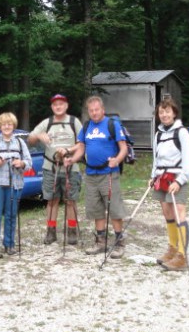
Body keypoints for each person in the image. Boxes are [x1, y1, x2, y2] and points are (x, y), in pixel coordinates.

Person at [64, 96, 129, 258]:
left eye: (96, 109)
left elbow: (124, 148)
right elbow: (81, 147)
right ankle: (100, 242)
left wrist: (117, 160)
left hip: (108, 173)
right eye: (91, 110)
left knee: (114, 208)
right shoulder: (86, 126)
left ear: (102, 110)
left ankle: (119, 242)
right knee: (96, 209)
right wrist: (72, 159)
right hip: (91, 174)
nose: (94, 113)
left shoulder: (111, 124)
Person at [28, 94, 82, 245]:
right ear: (52, 107)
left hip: (71, 167)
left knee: (71, 200)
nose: (58, 106)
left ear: (66, 106)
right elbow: (30, 140)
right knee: (52, 200)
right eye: (55, 104)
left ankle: (71, 231)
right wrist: (39, 136)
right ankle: (51, 232)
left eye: (61, 104)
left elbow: (82, 143)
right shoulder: (47, 123)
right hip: (50, 167)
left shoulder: (74, 122)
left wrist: (68, 149)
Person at [149, 97, 189, 272]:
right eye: (161, 112)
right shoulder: (158, 134)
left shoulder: (181, 132)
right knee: (167, 212)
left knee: (179, 212)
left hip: (177, 176)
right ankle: (172, 249)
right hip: (161, 177)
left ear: (174, 113)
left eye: (167, 111)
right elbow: (155, 158)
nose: (165, 115)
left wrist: (180, 180)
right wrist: (153, 176)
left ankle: (181, 257)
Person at [0, 112, 32, 259]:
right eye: (4, 124)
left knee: (11, 215)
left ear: (13, 126)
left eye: (9, 124)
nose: (7, 126)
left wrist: (21, 163)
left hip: (15, 183)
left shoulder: (20, 143)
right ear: (0, 126)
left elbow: (29, 162)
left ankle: (9, 244)